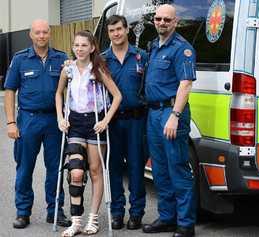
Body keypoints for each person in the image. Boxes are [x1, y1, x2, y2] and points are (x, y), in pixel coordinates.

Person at [4, 19, 71, 229]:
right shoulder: (20, 59)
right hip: (28, 120)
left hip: (54, 120)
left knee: (55, 169)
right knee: (24, 168)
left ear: (49, 34)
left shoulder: (62, 58)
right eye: (37, 33)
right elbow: (9, 91)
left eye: (45, 32)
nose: (41, 36)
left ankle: (55, 211)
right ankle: (23, 212)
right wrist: (11, 123)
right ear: (31, 35)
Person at [55, 30, 121, 237]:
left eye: (84, 45)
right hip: (74, 122)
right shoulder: (68, 69)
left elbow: (117, 96)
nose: (80, 49)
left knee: (94, 171)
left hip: (94, 122)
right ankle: (76, 221)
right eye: (76, 45)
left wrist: (105, 120)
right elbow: (58, 94)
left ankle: (92, 219)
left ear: (92, 48)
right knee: (75, 171)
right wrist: (60, 118)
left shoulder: (98, 69)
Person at [142, 4, 196, 237]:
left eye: (167, 19)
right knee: (160, 170)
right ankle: (167, 218)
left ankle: (185, 225)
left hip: (171, 113)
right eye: (158, 18)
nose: (162, 22)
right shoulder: (154, 46)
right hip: (154, 114)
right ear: (154, 21)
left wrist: (174, 116)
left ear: (176, 22)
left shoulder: (182, 48)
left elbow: (186, 84)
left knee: (177, 168)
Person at [101, 15, 148, 230]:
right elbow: (80, 65)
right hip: (112, 122)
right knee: (114, 168)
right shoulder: (101, 60)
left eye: (119, 29)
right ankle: (117, 212)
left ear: (127, 29)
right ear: (108, 33)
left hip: (137, 120)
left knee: (137, 168)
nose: (116, 34)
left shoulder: (142, 57)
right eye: (112, 31)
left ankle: (137, 212)